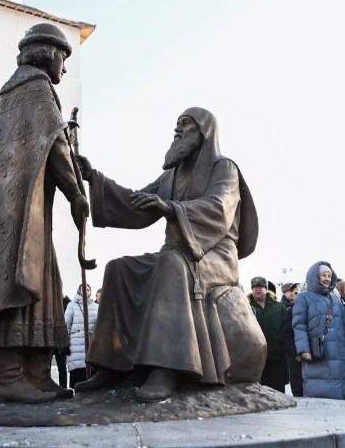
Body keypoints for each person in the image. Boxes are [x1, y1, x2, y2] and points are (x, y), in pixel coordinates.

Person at [75, 107, 264, 402]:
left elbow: (219, 208)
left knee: (170, 263)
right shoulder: (171, 175)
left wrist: (172, 209)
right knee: (119, 268)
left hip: (216, 256)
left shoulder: (223, 167)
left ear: (204, 132)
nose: (177, 130)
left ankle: (167, 369)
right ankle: (111, 364)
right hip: (177, 254)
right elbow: (137, 202)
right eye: (176, 124)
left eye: (185, 124)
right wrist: (94, 178)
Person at [0, 23, 89, 404]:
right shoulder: (36, 87)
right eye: (63, 57)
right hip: (21, 213)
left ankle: (34, 373)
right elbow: (56, 146)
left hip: (10, 207)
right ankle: (7, 376)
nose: (64, 68)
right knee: (19, 278)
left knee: (37, 280)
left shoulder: (10, 91)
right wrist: (76, 193)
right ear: (47, 53)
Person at [293, 261, 345, 399]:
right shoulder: (303, 297)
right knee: (319, 390)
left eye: (329, 275)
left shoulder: (336, 299)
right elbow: (299, 325)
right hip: (318, 352)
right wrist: (303, 350)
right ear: (314, 277)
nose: (327, 278)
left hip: (338, 352)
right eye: (323, 275)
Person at [249, 276, 288, 392]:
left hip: (276, 358)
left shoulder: (279, 307)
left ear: (266, 289)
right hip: (256, 360)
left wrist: (281, 342)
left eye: (260, 286)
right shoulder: (247, 308)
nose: (257, 289)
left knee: (278, 393)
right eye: (255, 287)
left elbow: (287, 329)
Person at [65, 285, 99, 388]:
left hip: (91, 343)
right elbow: (66, 324)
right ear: (79, 290)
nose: (86, 291)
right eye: (83, 289)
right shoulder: (72, 305)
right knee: (77, 369)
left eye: (88, 289)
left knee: (90, 369)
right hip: (76, 343)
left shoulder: (95, 306)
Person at [281, 283, 303, 396]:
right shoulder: (288, 309)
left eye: (295, 292)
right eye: (291, 292)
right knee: (297, 380)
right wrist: (294, 353)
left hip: (311, 353)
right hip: (294, 353)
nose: (293, 294)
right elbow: (287, 333)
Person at [53, 294, 71, 388]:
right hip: (50, 338)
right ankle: (48, 386)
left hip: (60, 339)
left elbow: (70, 304)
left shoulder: (64, 302)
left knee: (62, 367)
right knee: (46, 367)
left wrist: (64, 296)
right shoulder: (49, 301)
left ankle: (63, 387)